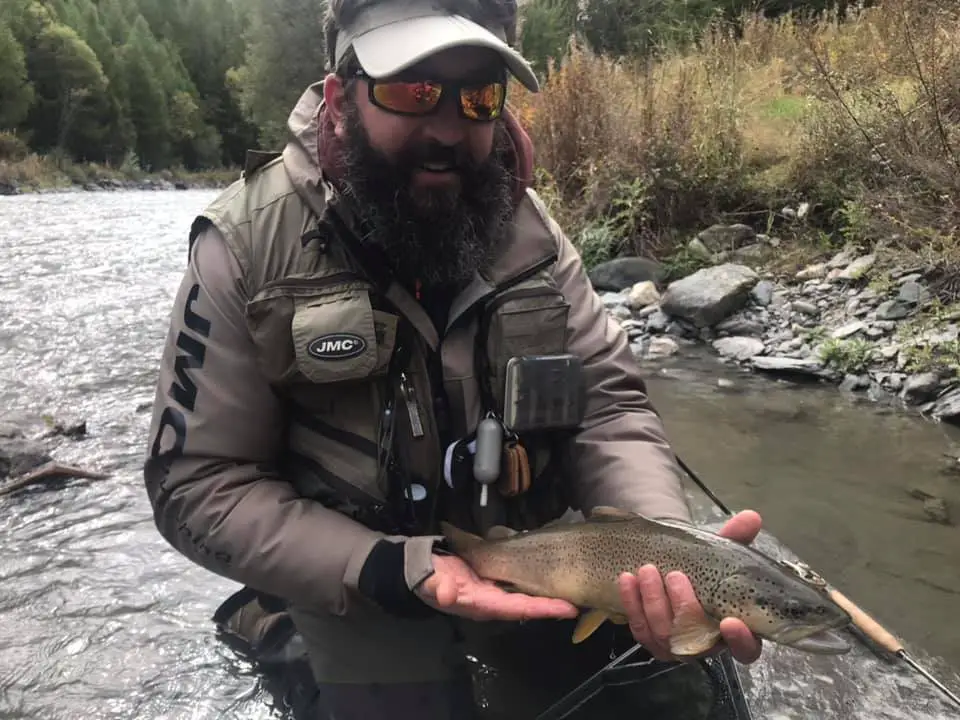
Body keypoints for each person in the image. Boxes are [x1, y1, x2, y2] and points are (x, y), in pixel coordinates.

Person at [142, 0, 765, 716]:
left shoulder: (531, 236)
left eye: (478, 96)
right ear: (342, 100)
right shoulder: (246, 248)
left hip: (549, 567)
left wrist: (660, 556)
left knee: (686, 700)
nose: (447, 128)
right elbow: (194, 484)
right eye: (412, 90)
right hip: (360, 595)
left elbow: (612, 408)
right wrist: (386, 568)